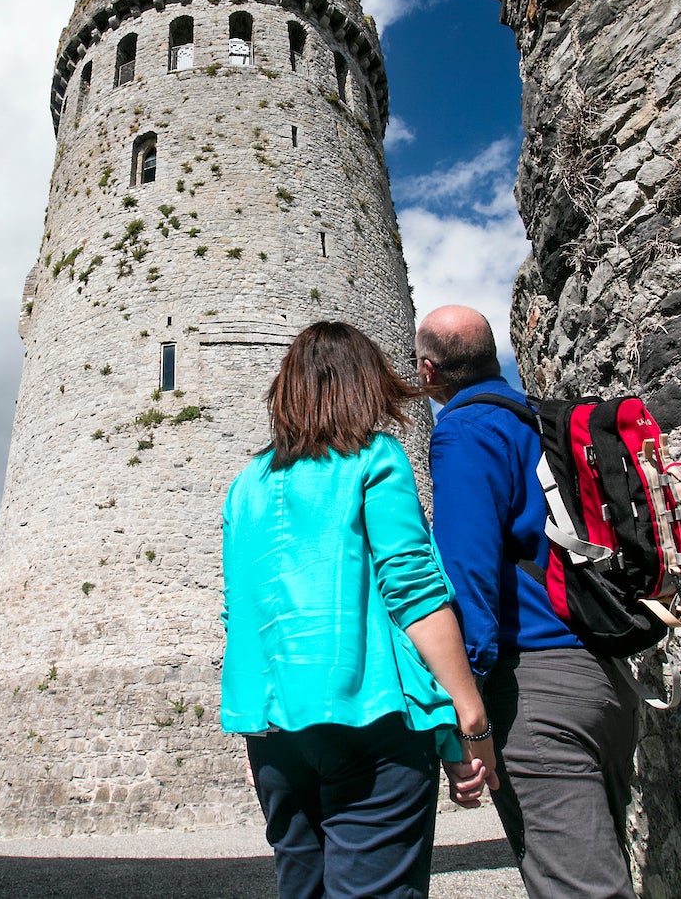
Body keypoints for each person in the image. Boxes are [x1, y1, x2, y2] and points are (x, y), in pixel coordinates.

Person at [222, 320, 500, 899]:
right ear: (363, 384)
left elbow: (240, 616)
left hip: (274, 730)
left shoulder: (245, 485)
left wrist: (257, 732)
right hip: (369, 719)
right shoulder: (376, 458)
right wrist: (468, 715)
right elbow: (414, 588)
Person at [413, 305, 641, 899]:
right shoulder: (541, 422)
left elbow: (466, 568)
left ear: (428, 371)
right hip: (606, 679)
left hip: (538, 689)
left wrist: (471, 703)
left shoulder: (465, 430)